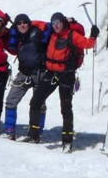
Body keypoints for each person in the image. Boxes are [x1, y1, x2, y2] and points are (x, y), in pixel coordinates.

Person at [41, 12, 99, 151]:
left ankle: (67, 141)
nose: (56, 25)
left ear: (63, 23)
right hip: (52, 72)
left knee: (65, 108)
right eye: (53, 22)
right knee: (36, 100)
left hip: (67, 74)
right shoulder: (52, 35)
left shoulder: (72, 35)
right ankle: (34, 133)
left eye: (58, 22)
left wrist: (93, 35)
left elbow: (88, 44)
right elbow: (36, 24)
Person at [2, 13, 47, 140]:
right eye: (19, 23)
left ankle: (37, 131)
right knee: (11, 100)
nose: (22, 25)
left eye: (25, 22)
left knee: (39, 104)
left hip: (40, 73)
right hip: (23, 73)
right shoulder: (16, 37)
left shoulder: (39, 33)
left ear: (29, 23)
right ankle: (9, 130)